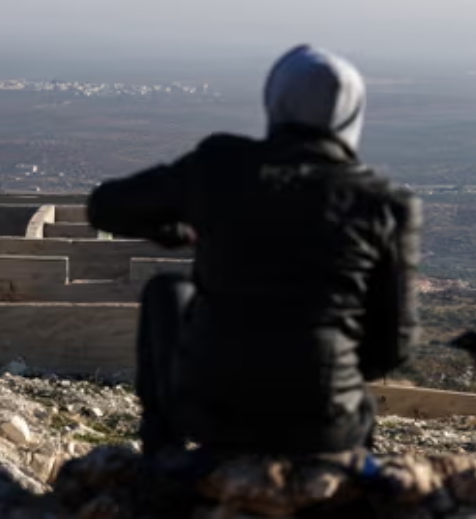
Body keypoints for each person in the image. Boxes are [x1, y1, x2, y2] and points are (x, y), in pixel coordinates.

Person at [86, 44, 421, 461]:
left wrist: (177, 229)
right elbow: (394, 345)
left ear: (275, 99)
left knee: (168, 292)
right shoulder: (386, 204)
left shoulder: (220, 166)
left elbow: (106, 207)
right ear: (353, 115)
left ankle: (162, 460)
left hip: (216, 412)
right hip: (327, 423)